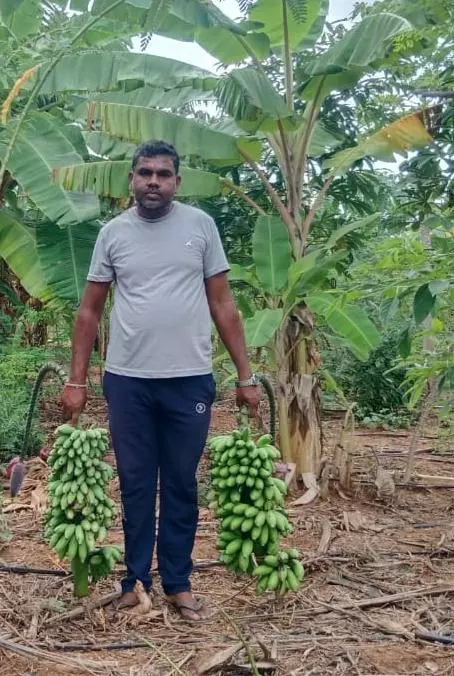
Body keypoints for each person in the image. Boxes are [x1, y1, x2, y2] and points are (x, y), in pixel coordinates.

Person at [60, 139, 260, 622]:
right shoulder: (112, 234)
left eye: (163, 174)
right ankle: (134, 582)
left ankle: (178, 583)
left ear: (177, 181)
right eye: (145, 173)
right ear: (131, 179)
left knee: (180, 484)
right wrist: (76, 380)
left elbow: (223, 304)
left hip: (188, 380)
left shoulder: (200, 227)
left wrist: (246, 375)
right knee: (134, 482)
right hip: (128, 380)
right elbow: (89, 311)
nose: (154, 181)